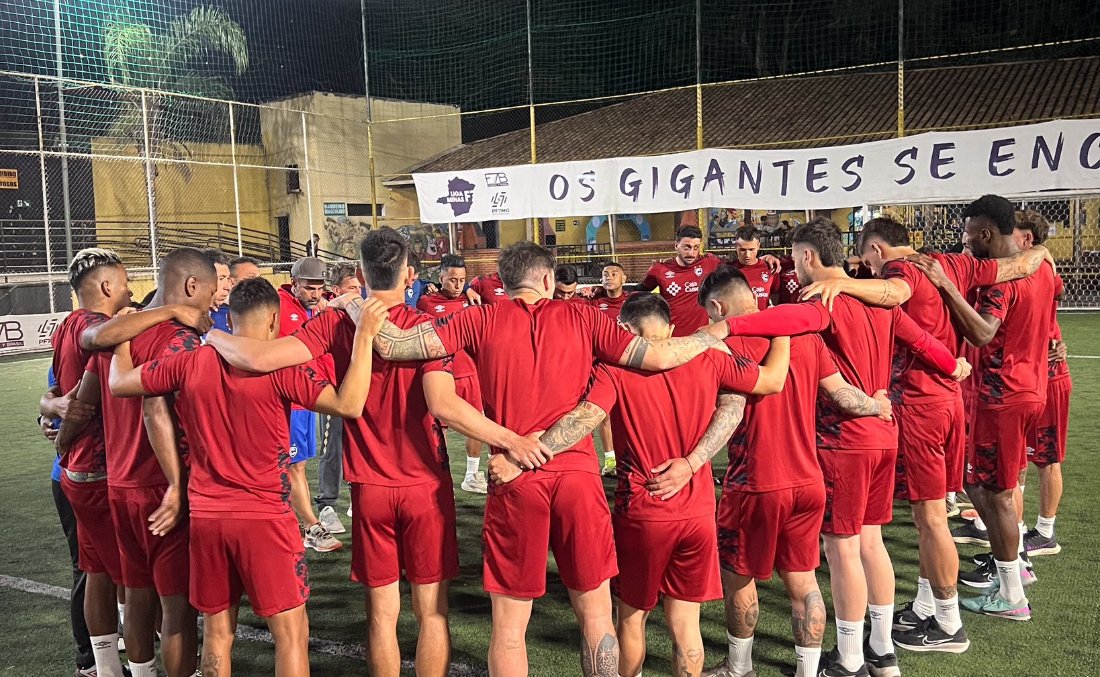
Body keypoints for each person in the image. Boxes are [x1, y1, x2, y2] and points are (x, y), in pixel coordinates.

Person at [352, 240, 730, 676]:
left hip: (515, 480)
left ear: (504, 282)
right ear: (548, 279)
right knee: (595, 616)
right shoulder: (585, 316)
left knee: (510, 628)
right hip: (578, 478)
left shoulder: (478, 318)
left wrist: (355, 304)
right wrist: (712, 333)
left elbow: (396, 346)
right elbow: (660, 354)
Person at [204, 230, 534, 676]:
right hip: (424, 486)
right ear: (411, 275)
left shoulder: (337, 322)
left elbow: (261, 358)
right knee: (431, 613)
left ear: (359, 274)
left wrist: (211, 334)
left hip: (369, 490)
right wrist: (512, 440)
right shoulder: (427, 327)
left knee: (382, 614)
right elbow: (446, 405)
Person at [708, 218, 967, 676]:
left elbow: (786, 320)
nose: (793, 267)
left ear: (808, 256)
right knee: (873, 543)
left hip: (844, 440)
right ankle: (882, 652)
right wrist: (954, 365)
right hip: (884, 432)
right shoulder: (876, 299)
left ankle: (849, 658)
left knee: (843, 549)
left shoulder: (822, 299)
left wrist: (724, 329)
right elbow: (922, 341)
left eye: (794, 257)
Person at [108, 277, 385, 677]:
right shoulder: (279, 367)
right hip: (264, 519)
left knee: (218, 633)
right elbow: (350, 403)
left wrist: (121, 340)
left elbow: (119, 384)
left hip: (207, 518)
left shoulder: (189, 361)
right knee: (290, 634)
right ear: (273, 319)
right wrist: (363, 339)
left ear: (230, 317)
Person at [797, 216, 1052, 651]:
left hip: (918, 407)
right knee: (935, 514)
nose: (869, 272)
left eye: (868, 263)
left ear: (877, 250)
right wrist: (1039, 253)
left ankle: (948, 625)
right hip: (951, 401)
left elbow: (896, 294)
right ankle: (929, 605)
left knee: (930, 520)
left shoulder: (900, 273)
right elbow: (1015, 268)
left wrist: (843, 284)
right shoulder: (952, 262)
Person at [524, 293, 789, 677]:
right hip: (697, 511)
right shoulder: (709, 356)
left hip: (644, 511)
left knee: (631, 620)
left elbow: (584, 418)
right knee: (686, 624)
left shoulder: (615, 369)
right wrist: (784, 330)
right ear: (670, 328)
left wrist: (527, 452)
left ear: (626, 331)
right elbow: (769, 382)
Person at [698, 266, 892, 677]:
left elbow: (730, 414)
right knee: (804, 583)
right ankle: (808, 671)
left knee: (740, 578)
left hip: (755, 482)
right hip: (809, 482)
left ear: (717, 307)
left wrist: (692, 462)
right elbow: (842, 395)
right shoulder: (805, 338)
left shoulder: (728, 345)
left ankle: (739, 668)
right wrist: (878, 405)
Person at [53, 248, 213, 677]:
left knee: (136, 594)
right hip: (161, 486)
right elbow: (160, 410)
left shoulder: (117, 335)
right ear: (191, 286)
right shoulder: (181, 340)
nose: (211, 305)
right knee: (177, 608)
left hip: (118, 484)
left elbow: (82, 401)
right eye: (211, 293)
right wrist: (182, 485)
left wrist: (61, 440)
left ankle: (126, 671)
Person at [911, 195, 1055, 621]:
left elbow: (982, 332)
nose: (965, 241)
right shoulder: (1041, 264)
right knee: (991, 489)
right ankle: (1013, 570)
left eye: (969, 233)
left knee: (996, 496)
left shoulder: (1000, 284)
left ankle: (1012, 592)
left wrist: (947, 286)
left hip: (1003, 396)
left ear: (987, 233)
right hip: (1029, 388)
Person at [1013, 210, 1071, 558]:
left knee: (1046, 459)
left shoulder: (1041, 269)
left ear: (1028, 240)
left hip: (1049, 379)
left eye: (1013, 234)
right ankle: (1012, 529)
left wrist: (1044, 256)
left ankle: (1045, 532)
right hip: (1028, 377)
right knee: (1017, 457)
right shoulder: (1025, 268)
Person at [279, 256, 341, 552]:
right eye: (309, 288)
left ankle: (304, 525)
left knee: (299, 464)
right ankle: (310, 525)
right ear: (295, 285)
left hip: (306, 399)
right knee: (293, 465)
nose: (316, 294)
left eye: (319, 288)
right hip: (289, 400)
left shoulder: (313, 308)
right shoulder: (280, 308)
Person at [41, 365, 97, 677]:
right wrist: (49, 413)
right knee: (89, 569)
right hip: (78, 475)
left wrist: (46, 410)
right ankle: (88, 659)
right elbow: (56, 398)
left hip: (79, 474)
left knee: (105, 569)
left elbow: (51, 399)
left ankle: (103, 647)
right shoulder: (91, 344)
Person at [417, 254, 489, 494]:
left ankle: (472, 474)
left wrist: (468, 290)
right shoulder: (425, 302)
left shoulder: (472, 301)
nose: (457, 285)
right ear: (440, 278)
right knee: (441, 427)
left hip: (469, 372)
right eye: (452, 280)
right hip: (441, 374)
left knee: (477, 422)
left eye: (462, 280)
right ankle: (442, 473)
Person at [314, 263, 363, 531]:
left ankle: (358, 497)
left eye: (359, 287)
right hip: (333, 393)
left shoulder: (363, 316)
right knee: (332, 449)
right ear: (336, 291)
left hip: (361, 392)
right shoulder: (327, 319)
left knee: (361, 446)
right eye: (351, 288)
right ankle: (327, 505)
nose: (357, 292)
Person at [635, 226, 724, 336]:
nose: (692, 253)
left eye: (696, 248)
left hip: (701, 337)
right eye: (687, 247)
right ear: (676, 246)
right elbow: (641, 291)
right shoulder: (659, 270)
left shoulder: (709, 263)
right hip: (671, 337)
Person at [588, 262, 629, 476]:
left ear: (624, 278)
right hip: (601, 366)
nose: (609, 277)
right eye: (605, 274)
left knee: (628, 413)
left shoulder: (632, 302)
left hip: (627, 367)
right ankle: (610, 461)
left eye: (614, 274)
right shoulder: (594, 303)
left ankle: (629, 458)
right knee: (604, 414)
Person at [730, 227, 779, 310]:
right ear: (735, 247)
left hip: (763, 321)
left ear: (758, 246)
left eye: (751, 249)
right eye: (742, 250)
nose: (747, 255)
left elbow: (775, 295)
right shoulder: (727, 270)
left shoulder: (770, 267)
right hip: (738, 321)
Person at [203, 249, 233, 334]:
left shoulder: (229, 313)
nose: (228, 287)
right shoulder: (180, 318)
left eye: (228, 279)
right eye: (221, 279)